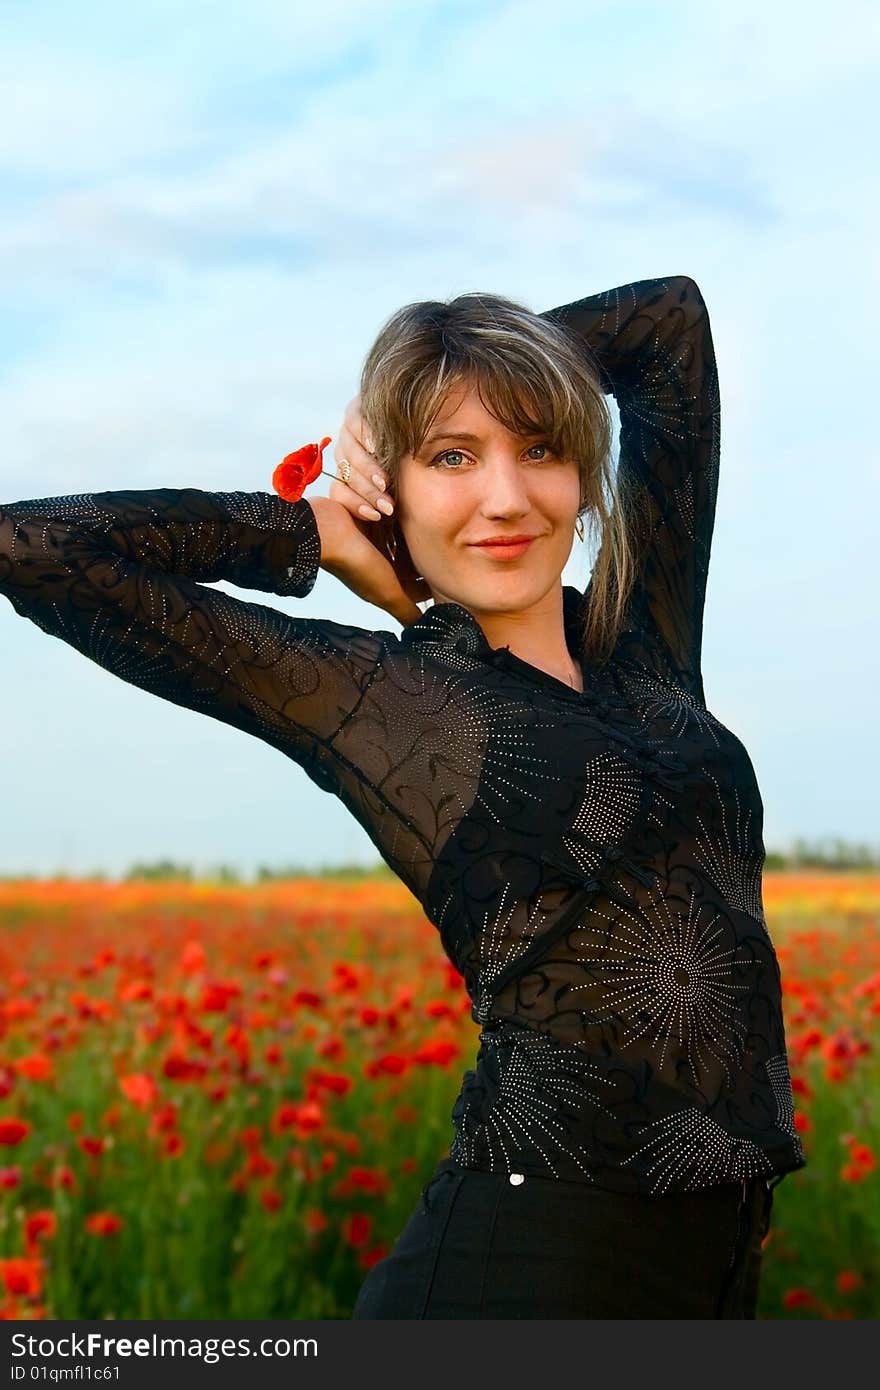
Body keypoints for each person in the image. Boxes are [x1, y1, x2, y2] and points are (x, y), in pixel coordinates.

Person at [0, 275, 806, 1319]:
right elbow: (31, 548)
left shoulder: (643, 641)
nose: (507, 497)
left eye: (541, 446)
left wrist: (450, 385)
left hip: (718, 1269)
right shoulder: (387, 697)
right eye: (451, 457)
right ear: (398, 490)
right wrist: (309, 536)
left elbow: (670, 323)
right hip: (529, 1266)